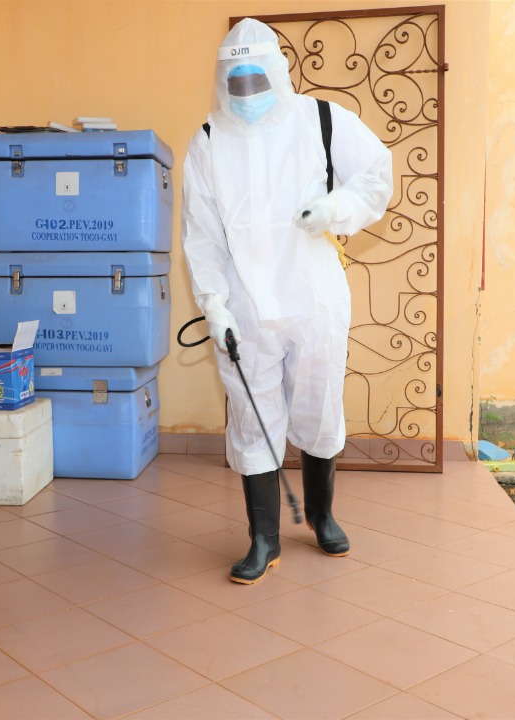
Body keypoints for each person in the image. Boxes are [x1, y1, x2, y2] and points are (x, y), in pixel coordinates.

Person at [181, 18, 394, 584]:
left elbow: (376, 174)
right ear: (222, 82)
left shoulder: (319, 119)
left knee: (319, 406)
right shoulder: (208, 140)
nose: (248, 93)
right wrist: (214, 302)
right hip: (245, 306)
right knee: (253, 415)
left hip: (313, 296)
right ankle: (264, 538)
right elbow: (201, 233)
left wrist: (336, 209)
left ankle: (321, 516)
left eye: (257, 79)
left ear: (277, 74)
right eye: (237, 83)